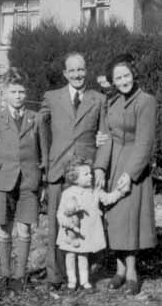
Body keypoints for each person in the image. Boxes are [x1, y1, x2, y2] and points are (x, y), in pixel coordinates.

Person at [40, 52, 110, 290]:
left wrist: (99, 167)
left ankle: (84, 275)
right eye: (72, 70)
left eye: (81, 70)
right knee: (56, 224)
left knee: (86, 223)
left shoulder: (98, 99)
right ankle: (55, 276)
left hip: (85, 175)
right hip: (58, 170)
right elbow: (39, 127)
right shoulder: (51, 97)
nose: (77, 74)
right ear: (65, 73)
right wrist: (45, 162)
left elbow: (105, 136)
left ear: (86, 70)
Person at [0, 67, 48, 295]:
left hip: (29, 181)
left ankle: (20, 276)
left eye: (21, 91)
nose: (18, 96)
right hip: (3, 181)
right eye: (14, 91)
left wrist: (44, 183)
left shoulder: (36, 119)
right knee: (4, 228)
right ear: (5, 93)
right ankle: (5, 275)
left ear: (26, 93)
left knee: (25, 228)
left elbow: (44, 153)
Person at [100, 53, 158, 295]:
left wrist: (131, 173)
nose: (123, 80)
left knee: (130, 219)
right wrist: (100, 168)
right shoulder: (110, 103)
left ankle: (132, 272)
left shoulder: (146, 101)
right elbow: (105, 139)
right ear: (113, 81)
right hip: (113, 163)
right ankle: (120, 269)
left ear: (133, 75)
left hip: (134, 166)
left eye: (126, 75)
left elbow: (145, 142)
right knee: (114, 219)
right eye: (118, 77)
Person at [56, 156, 126, 292]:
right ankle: (71, 282)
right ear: (74, 178)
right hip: (70, 232)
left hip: (85, 233)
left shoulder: (95, 191)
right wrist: (66, 223)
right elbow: (60, 213)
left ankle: (84, 281)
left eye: (90, 173)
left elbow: (107, 199)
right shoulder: (67, 193)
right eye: (86, 174)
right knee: (70, 256)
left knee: (83, 256)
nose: (90, 176)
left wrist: (120, 192)